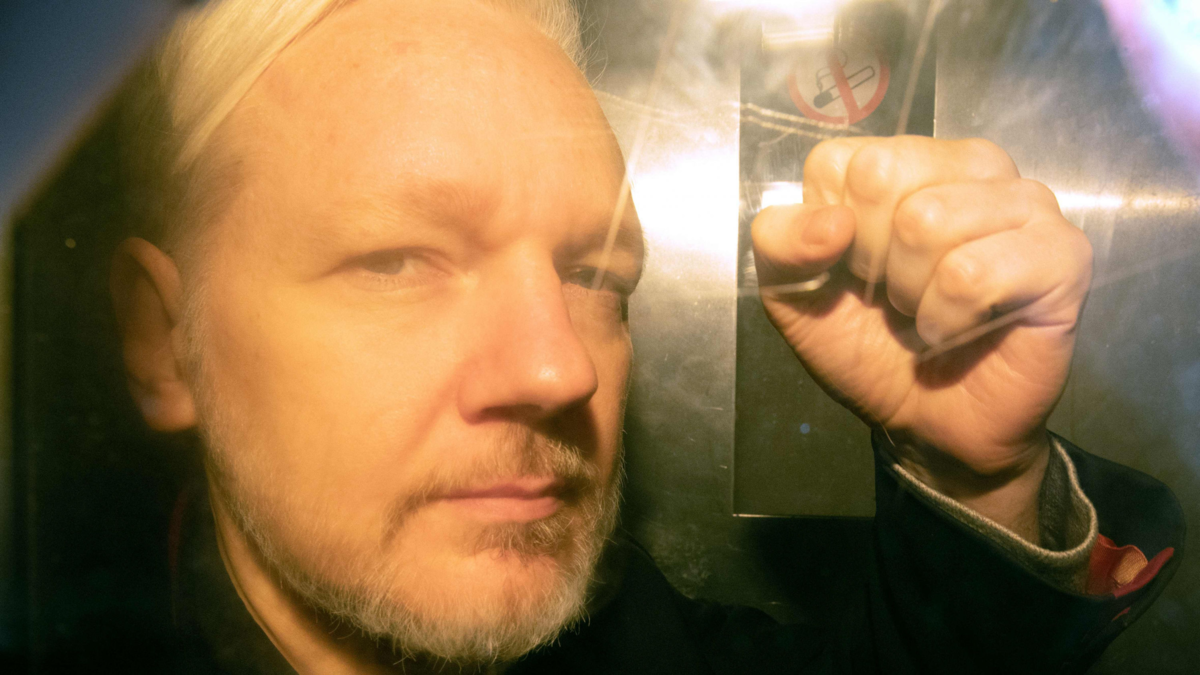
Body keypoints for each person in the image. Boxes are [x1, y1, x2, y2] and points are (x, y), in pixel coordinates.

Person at [107, 0, 1183, 672]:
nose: (559, 367)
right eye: (398, 261)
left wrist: (979, 473)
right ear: (164, 342)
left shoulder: (639, 647)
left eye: (594, 275)